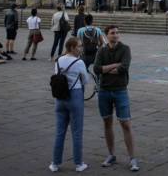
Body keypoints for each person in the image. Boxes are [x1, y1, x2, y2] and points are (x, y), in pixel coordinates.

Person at [93, 25, 139, 171]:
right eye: (112, 33)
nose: (116, 35)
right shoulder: (102, 50)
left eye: (117, 33)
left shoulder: (125, 49)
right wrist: (114, 66)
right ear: (106, 35)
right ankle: (111, 154)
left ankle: (132, 158)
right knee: (107, 123)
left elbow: (124, 67)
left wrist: (106, 69)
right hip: (104, 91)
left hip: (120, 90)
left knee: (126, 123)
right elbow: (96, 69)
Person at [49, 36, 89, 173]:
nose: (81, 48)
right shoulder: (79, 62)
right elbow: (85, 80)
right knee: (77, 132)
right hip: (75, 95)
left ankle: (55, 163)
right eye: (79, 46)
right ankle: (78, 163)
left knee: (60, 132)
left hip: (60, 97)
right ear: (72, 47)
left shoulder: (59, 60)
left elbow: (56, 74)